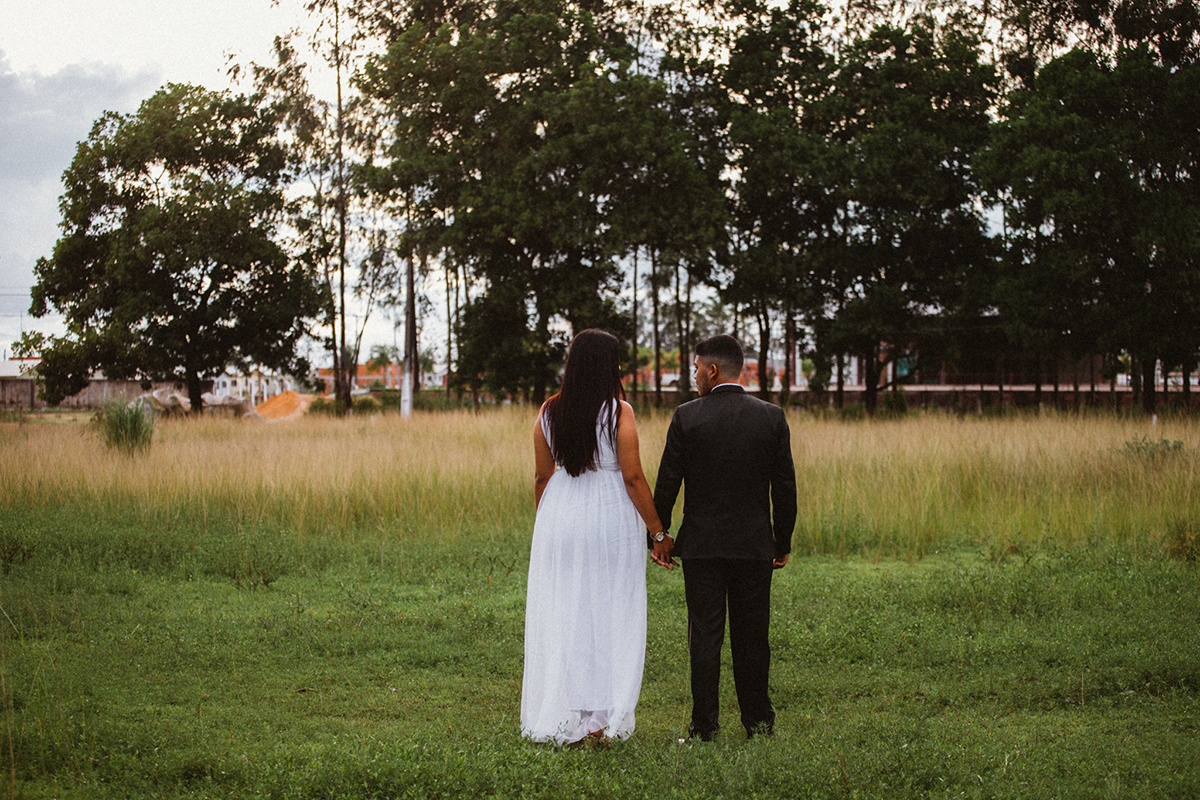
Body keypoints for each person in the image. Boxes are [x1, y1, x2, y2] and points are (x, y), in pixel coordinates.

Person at [520, 329, 668, 745]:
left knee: (569, 613)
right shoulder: (619, 412)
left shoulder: (548, 411)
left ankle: (575, 715)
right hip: (608, 518)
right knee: (609, 613)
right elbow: (634, 477)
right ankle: (599, 722)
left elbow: (541, 477)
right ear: (610, 366)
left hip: (560, 514)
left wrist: (548, 527)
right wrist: (658, 532)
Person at [651, 334, 797, 741]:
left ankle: (703, 728)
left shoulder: (686, 417)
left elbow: (668, 483)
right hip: (754, 547)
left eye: (697, 369)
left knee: (705, 636)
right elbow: (784, 487)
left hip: (702, 547)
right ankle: (759, 725)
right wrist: (781, 541)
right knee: (753, 636)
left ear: (712, 370)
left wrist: (658, 537)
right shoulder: (771, 417)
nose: (695, 376)